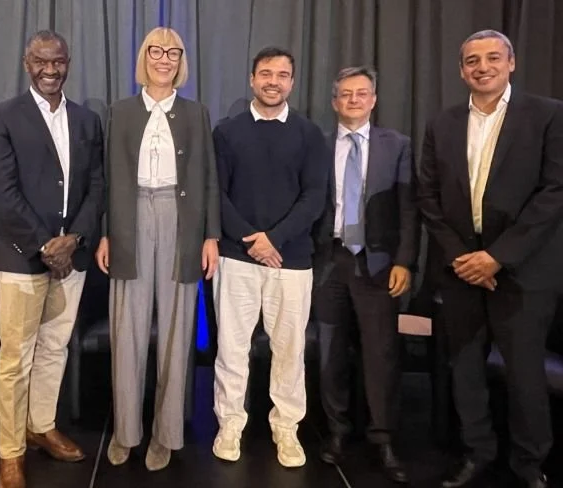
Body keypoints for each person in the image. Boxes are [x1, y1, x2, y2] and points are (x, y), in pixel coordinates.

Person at [416, 29, 563, 488]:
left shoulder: (548, 115)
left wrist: (497, 257)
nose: (483, 67)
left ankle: (528, 463)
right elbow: (429, 197)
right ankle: (477, 453)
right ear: (461, 70)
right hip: (460, 270)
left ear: (511, 62)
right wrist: (465, 257)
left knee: (524, 375)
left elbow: (553, 193)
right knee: (466, 371)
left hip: (521, 271)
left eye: (492, 58)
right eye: (472, 60)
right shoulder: (441, 123)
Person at [0, 30, 104, 488]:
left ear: (68, 62)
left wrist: (73, 238)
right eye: (40, 61)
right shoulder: (2, 117)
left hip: (73, 256)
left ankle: (41, 425)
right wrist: (44, 246)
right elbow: (2, 192)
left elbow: (98, 185)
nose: (49, 70)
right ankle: (10, 451)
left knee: (54, 348)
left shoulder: (88, 120)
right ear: (25, 62)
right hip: (21, 258)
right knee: (15, 358)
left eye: (58, 62)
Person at [95, 26, 220, 472]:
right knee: (125, 330)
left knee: (176, 331)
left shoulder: (196, 113)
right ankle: (127, 433)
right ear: (143, 56)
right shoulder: (119, 112)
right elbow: (107, 178)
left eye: (173, 52)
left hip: (180, 221)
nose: (164, 59)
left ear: (182, 60)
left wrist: (211, 236)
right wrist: (107, 231)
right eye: (155, 50)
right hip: (129, 220)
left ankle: (166, 435)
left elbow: (208, 178)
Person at [211, 46, 330, 468]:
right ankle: (230, 423)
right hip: (236, 258)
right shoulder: (226, 132)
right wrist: (250, 239)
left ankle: (287, 428)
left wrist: (273, 239)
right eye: (266, 73)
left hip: (291, 259)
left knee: (289, 350)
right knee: (231, 347)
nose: (273, 81)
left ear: (292, 82)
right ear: (251, 79)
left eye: (282, 75)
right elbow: (216, 195)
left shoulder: (310, 134)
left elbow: (315, 196)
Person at [312, 66, 418, 484]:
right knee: (330, 352)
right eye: (345, 94)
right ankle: (337, 432)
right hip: (328, 262)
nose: (353, 100)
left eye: (362, 93)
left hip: (378, 265)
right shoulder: (317, 145)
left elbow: (410, 209)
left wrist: (405, 260)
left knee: (381, 355)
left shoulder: (399, 145)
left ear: (374, 99)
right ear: (334, 101)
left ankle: (383, 437)